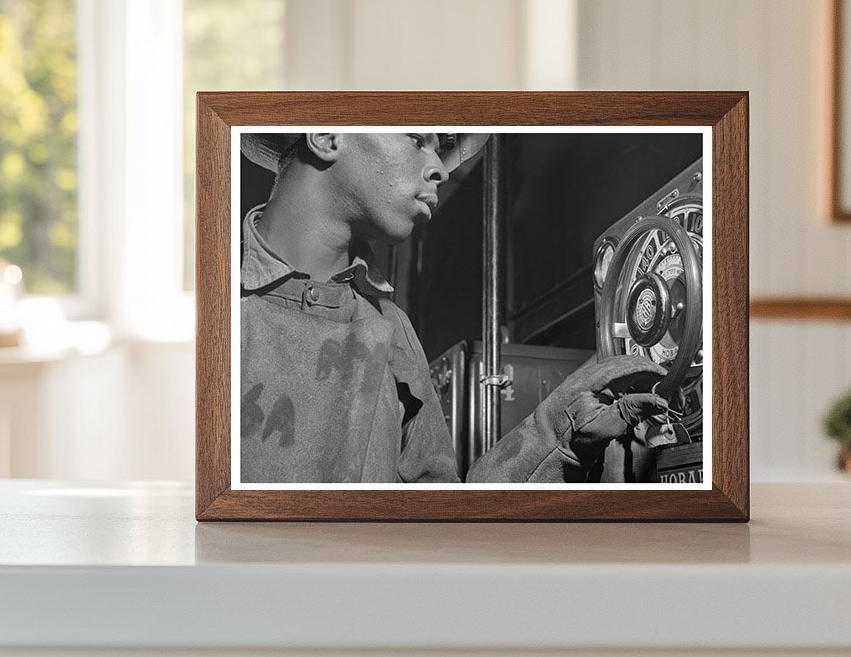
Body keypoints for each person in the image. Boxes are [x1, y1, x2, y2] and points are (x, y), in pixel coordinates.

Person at [238, 130, 669, 484]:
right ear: (327, 136)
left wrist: (562, 428)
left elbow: (440, 519)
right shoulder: (214, 308)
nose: (440, 170)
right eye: (416, 139)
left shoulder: (391, 327)